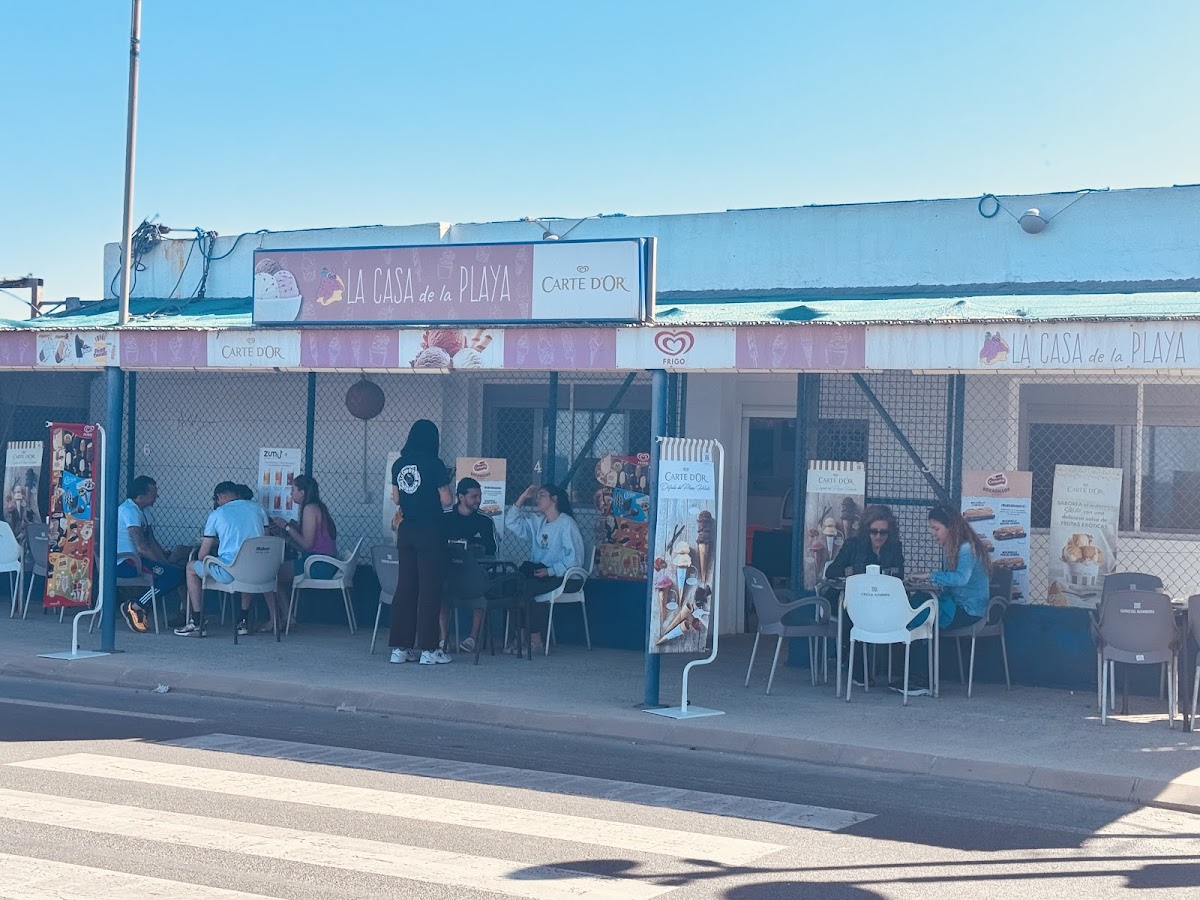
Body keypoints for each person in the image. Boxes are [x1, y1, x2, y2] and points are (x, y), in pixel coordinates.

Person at [388, 420, 454, 666]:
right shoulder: (435, 464)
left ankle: (400, 648)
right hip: (431, 530)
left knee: (405, 588)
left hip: (406, 531)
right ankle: (429, 649)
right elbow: (446, 500)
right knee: (429, 589)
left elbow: (396, 498)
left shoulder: (399, 464)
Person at [174, 481, 273, 637]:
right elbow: (265, 539)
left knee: (191, 567)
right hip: (258, 570)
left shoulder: (217, 514)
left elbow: (202, 555)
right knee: (247, 562)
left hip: (229, 572)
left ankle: (197, 621)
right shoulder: (258, 509)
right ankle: (243, 621)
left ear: (219, 496)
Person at [504, 483, 585, 654]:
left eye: (541, 495)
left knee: (530, 588)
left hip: (563, 576)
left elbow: (575, 558)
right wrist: (522, 498)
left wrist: (551, 570)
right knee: (513, 586)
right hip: (540, 572)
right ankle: (520, 637)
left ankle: (535, 640)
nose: (537, 499)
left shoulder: (566, 523)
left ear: (554, 499)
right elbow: (511, 522)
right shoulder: (538, 522)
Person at [117, 475, 188, 633]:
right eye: (153, 493)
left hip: (138, 560)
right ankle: (136, 606)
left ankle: (184, 613)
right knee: (172, 576)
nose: (157, 496)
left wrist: (166, 562)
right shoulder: (129, 511)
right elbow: (142, 547)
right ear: (140, 496)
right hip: (126, 562)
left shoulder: (144, 511)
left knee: (178, 571)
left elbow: (151, 542)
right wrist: (163, 565)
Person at [911, 503, 991, 630]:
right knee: (916, 602)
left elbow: (961, 578)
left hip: (968, 610)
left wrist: (930, 575)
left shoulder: (966, 548)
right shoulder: (949, 548)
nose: (933, 533)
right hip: (953, 604)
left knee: (921, 614)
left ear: (951, 528)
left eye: (936, 529)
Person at [271, 475, 338, 625]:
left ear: (302, 492)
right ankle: (288, 616)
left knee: (271, 574)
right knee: (278, 573)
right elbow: (305, 546)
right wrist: (286, 535)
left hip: (319, 564)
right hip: (321, 561)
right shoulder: (317, 507)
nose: (291, 493)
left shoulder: (310, 509)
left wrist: (286, 527)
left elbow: (307, 544)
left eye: (293, 489)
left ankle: (285, 617)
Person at [442, 477, 498, 653]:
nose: (478, 500)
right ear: (461, 497)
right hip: (449, 571)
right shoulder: (445, 517)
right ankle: (443, 639)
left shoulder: (485, 520)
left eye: (479, 496)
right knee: (438, 588)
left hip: (474, 573)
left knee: (481, 586)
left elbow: (493, 550)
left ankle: (473, 638)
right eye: (474, 496)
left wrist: (474, 548)